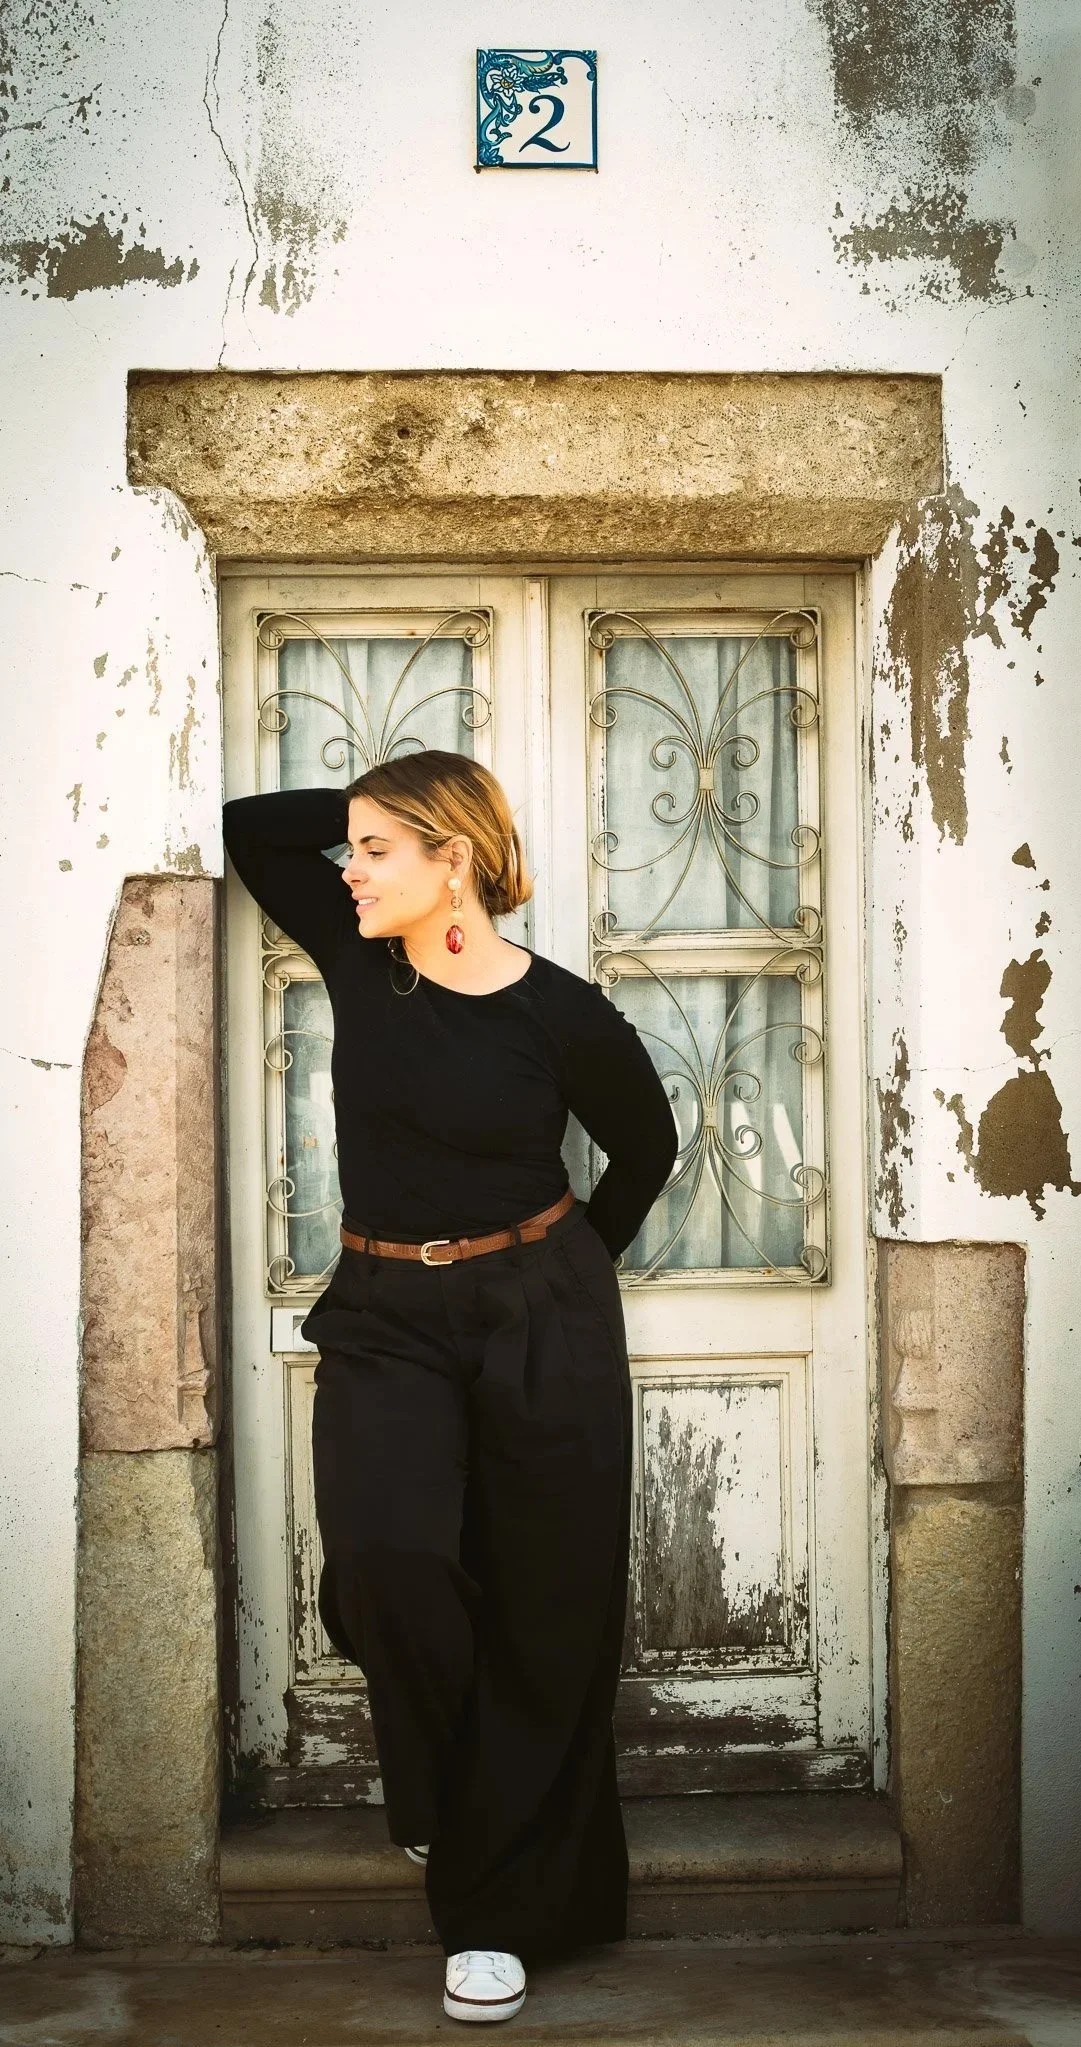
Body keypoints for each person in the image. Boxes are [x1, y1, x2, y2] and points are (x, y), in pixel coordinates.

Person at [222, 748, 677, 2023]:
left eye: (378, 850)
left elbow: (646, 1143)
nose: (350, 870)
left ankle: (492, 1909)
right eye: (356, 849)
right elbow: (256, 831)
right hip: (383, 1313)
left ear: (453, 860)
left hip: (538, 1307)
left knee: (546, 1606)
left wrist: (573, 1266)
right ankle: (440, 1793)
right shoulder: (364, 953)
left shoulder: (559, 1012)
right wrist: (378, 808)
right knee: (385, 1560)